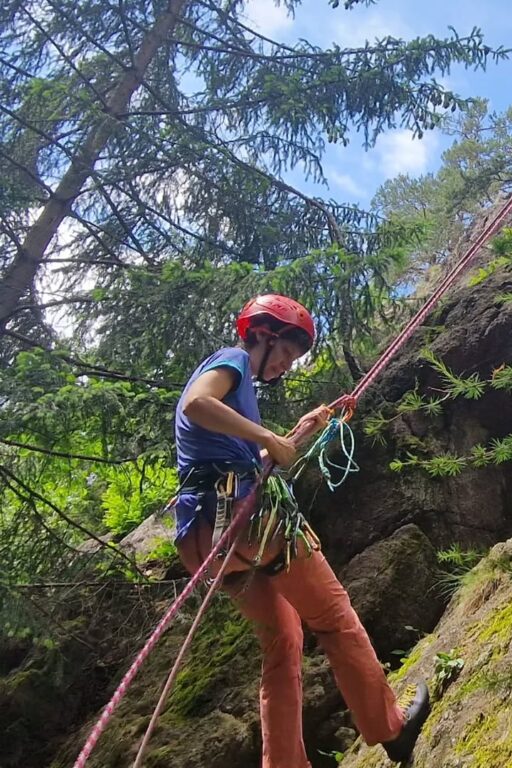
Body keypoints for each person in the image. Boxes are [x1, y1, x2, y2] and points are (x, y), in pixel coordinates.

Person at [173, 294, 429, 766]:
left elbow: (254, 460)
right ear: (264, 337)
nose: (288, 365)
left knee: (284, 641)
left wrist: (303, 429)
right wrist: (268, 436)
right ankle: (390, 728)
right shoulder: (231, 361)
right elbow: (196, 404)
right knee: (334, 617)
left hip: (204, 539)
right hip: (252, 526)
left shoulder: (240, 400)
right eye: (287, 353)